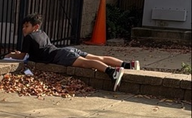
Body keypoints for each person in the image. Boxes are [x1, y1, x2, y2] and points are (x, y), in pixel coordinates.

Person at [8, 15, 140, 91]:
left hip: (58, 55)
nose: (23, 29)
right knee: (97, 57)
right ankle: (128, 65)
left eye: (26, 26)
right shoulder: (41, 33)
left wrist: (11, 55)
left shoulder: (29, 37)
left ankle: (112, 72)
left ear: (35, 27)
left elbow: (23, 55)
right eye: (23, 26)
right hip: (66, 50)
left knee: (86, 63)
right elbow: (36, 49)